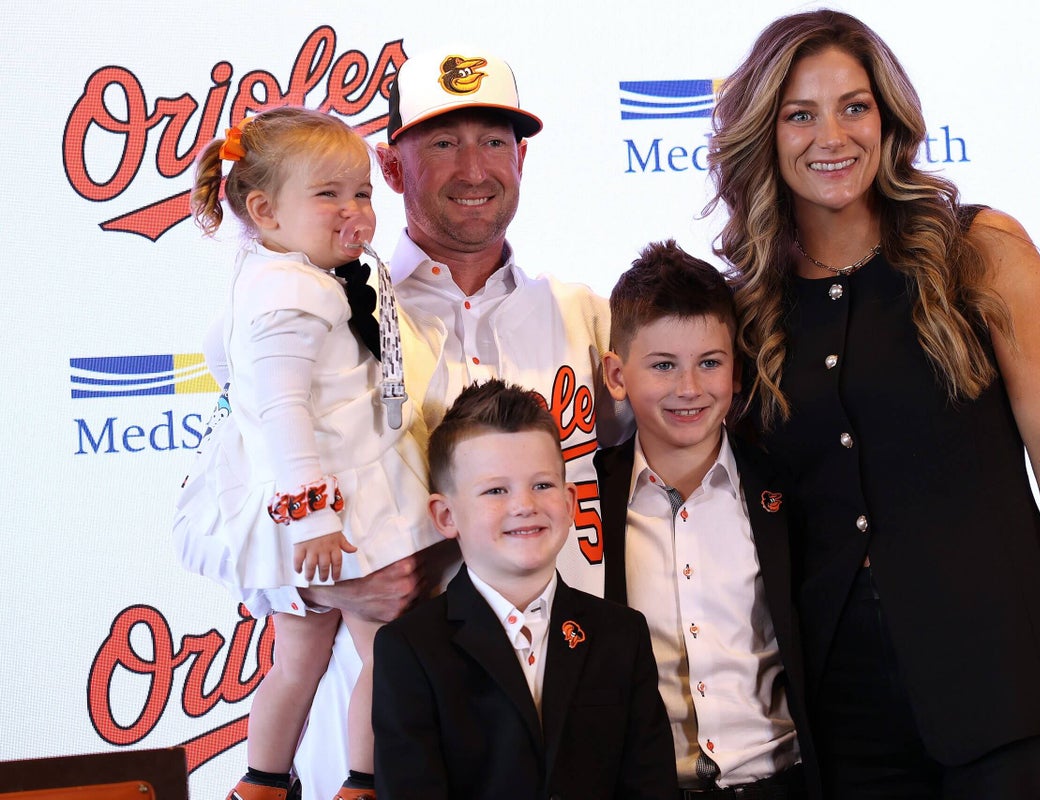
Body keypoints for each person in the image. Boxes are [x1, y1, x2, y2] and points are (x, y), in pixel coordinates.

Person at [706, 11, 1040, 799]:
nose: (831, 135)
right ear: (766, 132)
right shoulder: (746, 312)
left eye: (853, 106)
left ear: (889, 118)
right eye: (800, 114)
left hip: (1008, 690)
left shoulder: (980, 251)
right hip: (844, 722)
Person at [287, 47, 629, 799]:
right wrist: (321, 589)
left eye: (494, 141)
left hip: (566, 731)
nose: (475, 169)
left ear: (522, 158)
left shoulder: (584, 314)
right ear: (391, 165)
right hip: (385, 746)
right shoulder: (322, 311)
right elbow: (203, 519)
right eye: (443, 143)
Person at [181, 107, 440, 800]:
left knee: (298, 657)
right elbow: (283, 412)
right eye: (328, 194)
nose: (354, 210)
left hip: (332, 486)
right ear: (264, 210)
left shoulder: (287, 273)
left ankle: (264, 780)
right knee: (382, 652)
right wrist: (311, 516)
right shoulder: (289, 294)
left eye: (362, 192)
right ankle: (362, 781)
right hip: (334, 499)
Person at [373, 379, 675, 799]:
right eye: (496, 490)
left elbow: (650, 787)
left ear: (571, 502)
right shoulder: (409, 649)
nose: (524, 505)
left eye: (542, 485)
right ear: (445, 516)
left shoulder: (621, 635)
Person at [595, 241, 821, 799]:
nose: (689, 389)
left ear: (737, 372)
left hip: (781, 782)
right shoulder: (589, 498)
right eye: (664, 366)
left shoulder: (781, 488)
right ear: (617, 375)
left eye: (710, 363)